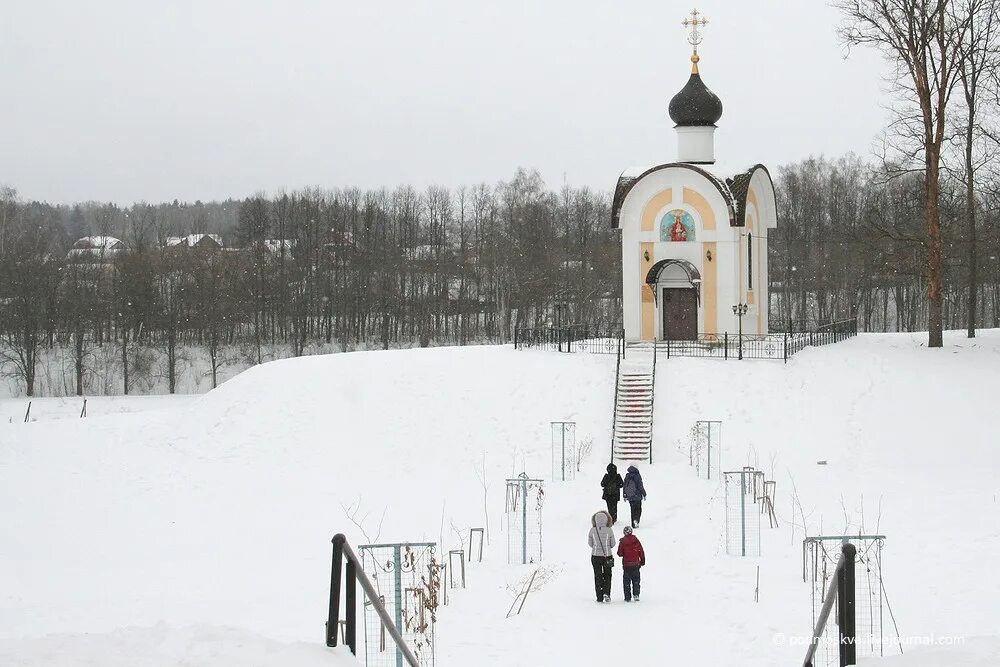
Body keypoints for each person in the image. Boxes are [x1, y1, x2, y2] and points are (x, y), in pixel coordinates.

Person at [587, 510, 616, 603]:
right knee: (608, 575)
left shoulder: (592, 530)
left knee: (598, 576)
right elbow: (613, 544)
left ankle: (599, 596)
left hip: (595, 556)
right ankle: (606, 593)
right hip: (607, 556)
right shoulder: (609, 530)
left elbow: (590, 544)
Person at [617, 525, 645, 602]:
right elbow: (641, 551)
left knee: (626, 581)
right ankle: (636, 594)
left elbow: (620, 553)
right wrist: (642, 560)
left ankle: (627, 597)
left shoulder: (622, 541)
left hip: (627, 565)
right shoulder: (636, 540)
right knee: (636, 580)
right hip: (636, 564)